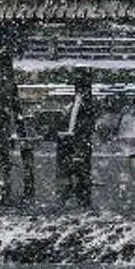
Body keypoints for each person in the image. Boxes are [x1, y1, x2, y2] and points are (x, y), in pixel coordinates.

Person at [58, 70, 98, 204]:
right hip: (82, 132)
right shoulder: (84, 103)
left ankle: (78, 186)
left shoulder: (81, 102)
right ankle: (82, 188)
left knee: (80, 161)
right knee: (82, 162)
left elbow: (77, 116)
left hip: (80, 132)